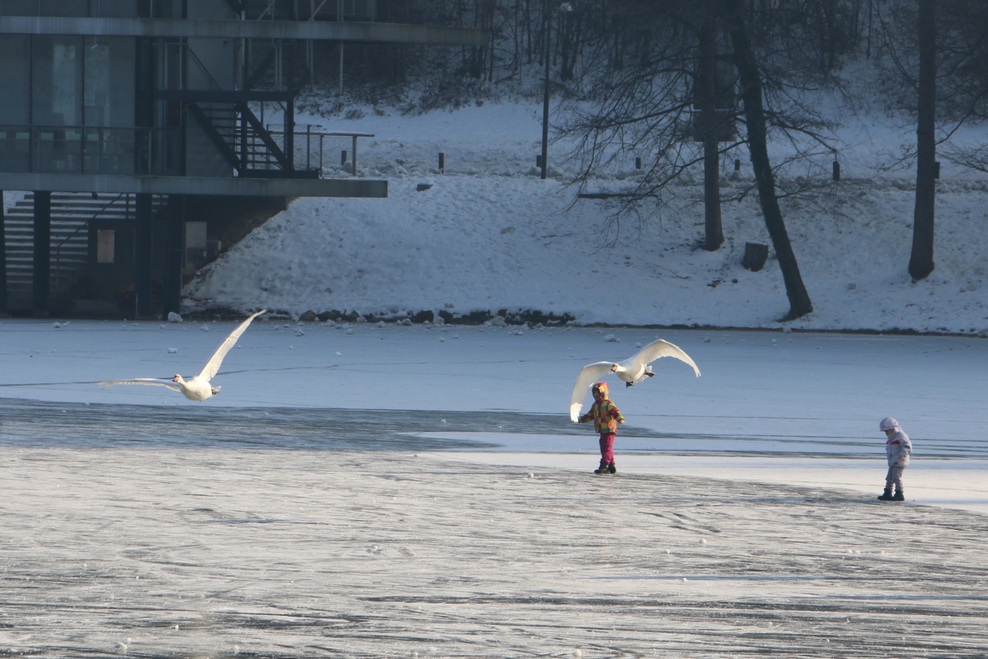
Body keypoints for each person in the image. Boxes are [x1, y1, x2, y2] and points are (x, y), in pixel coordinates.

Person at [578, 381, 625, 475]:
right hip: (602, 429)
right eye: (594, 393)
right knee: (605, 445)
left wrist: (620, 419)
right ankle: (611, 464)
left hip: (609, 428)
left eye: (597, 393)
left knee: (606, 446)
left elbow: (615, 411)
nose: (595, 395)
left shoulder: (608, 403)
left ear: (603, 393)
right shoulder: (595, 405)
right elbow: (591, 415)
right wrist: (582, 419)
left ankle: (604, 465)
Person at [877, 416, 912, 501]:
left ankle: (899, 493)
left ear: (893, 428)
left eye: (887, 431)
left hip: (899, 461)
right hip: (892, 461)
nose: (886, 433)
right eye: (885, 431)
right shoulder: (891, 437)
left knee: (896, 477)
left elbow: (907, 447)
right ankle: (887, 492)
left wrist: (902, 455)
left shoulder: (901, 436)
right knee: (889, 478)